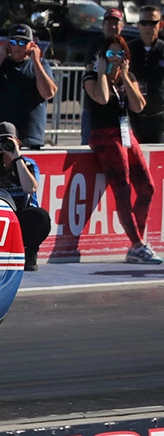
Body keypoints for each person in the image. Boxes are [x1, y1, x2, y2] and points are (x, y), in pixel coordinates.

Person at [83, 36, 163, 264]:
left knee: (147, 186)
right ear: (102, 56)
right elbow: (102, 98)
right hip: (104, 135)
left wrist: (126, 77)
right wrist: (101, 72)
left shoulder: (128, 77)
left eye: (120, 54)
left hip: (126, 133)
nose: (116, 59)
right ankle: (138, 244)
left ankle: (136, 241)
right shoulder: (91, 76)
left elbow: (139, 106)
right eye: (111, 54)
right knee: (123, 188)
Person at [0, 122, 51, 271]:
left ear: (17, 142)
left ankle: (30, 251)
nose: (5, 147)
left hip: (20, 214)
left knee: (41, 217)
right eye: (1, 142)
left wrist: (17, 157)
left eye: (9, 141)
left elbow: (30, 188)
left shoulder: (28, 164)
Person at [0, 24, 57, 150]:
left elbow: (48, 92)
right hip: (1, 135)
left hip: (29, 137)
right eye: (13, 42)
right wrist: (1, 57)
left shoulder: (41, 65)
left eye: (22, 42)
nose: (17, 46)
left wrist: (36, 61)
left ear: (32, 44)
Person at [81, 9, 125, 145]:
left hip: (118, 109)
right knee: (89, 149)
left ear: (122, 26)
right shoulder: (94, 45)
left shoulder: (126, 45)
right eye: (109, 23)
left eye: (116, 24)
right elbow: (90, 69)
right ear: (103, 26)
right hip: (95, 107)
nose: (112, 27)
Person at [129, 6, 164, 144]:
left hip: (159, 116)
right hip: (133, 115)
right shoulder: (129, 49)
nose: (148, 27)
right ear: (138, 25)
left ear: (160, 25)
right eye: (144, 23)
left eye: (152, 23)